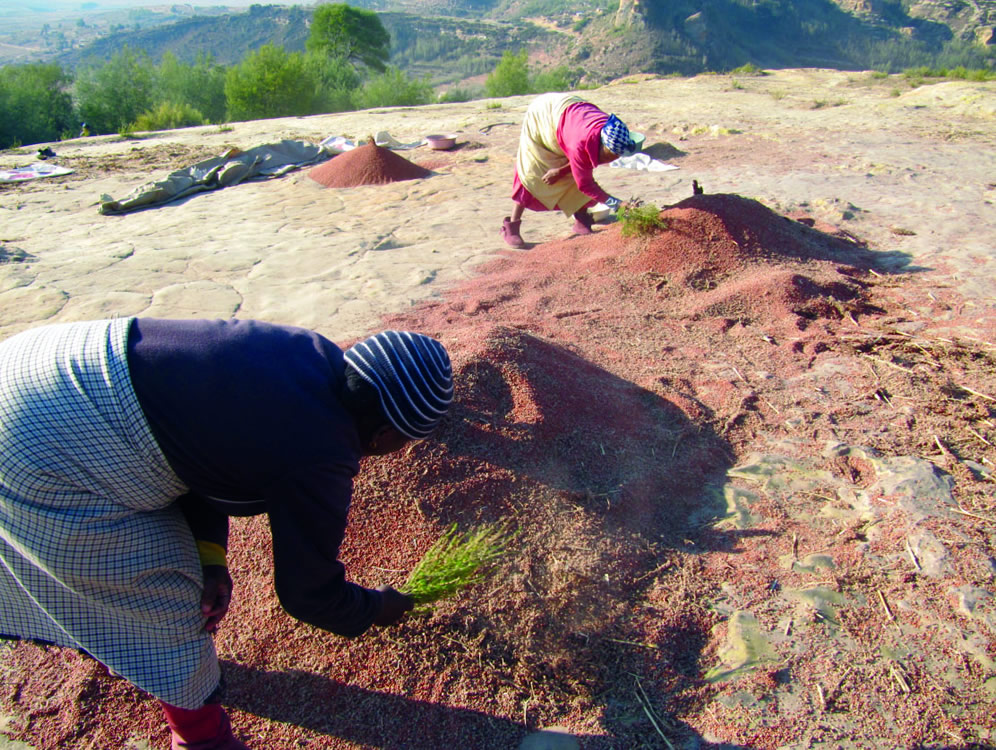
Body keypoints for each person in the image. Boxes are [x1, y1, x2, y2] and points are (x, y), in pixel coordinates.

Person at [0, 317, 454, 749]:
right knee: (164, 600)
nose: (402, 451)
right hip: (42, 440)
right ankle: (201, 738)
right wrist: (379, 607)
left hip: (46, 361)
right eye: (407, 441)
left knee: (156, 565)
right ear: (382, 435)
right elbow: (308, 595)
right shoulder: (321, 452)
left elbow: (199, 448)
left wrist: (211, 557)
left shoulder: (306, 353)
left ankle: (111, 638)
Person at [500, 92, 639, 248]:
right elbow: (585, 183)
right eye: (608, 156)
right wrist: (617, 204)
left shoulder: (608, 129)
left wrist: (560, 171)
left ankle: (581, 217)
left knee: (574, 172)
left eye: (615, 157)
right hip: (543, 115)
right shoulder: (580, 142)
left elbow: (581, 164)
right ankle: (511, 227)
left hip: (569, 113)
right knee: (532, 171)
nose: (609, 161)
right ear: (601, 145)